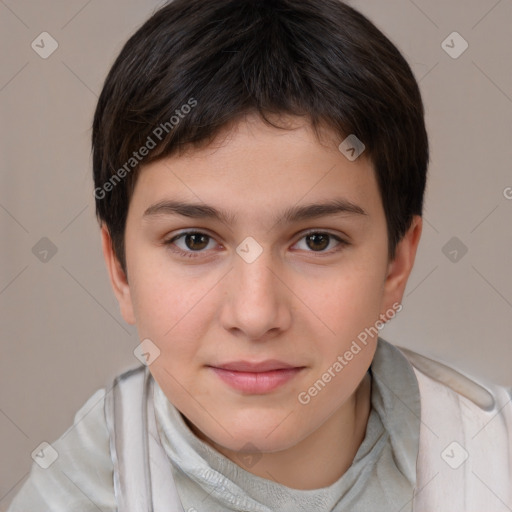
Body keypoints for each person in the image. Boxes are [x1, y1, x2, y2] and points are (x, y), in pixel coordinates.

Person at [7, 0, 512, 510]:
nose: (255, 315)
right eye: (195, 240)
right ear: (120, 270)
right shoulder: (73, 493)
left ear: (395, 266)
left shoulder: (492, 466)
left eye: (317, 240)